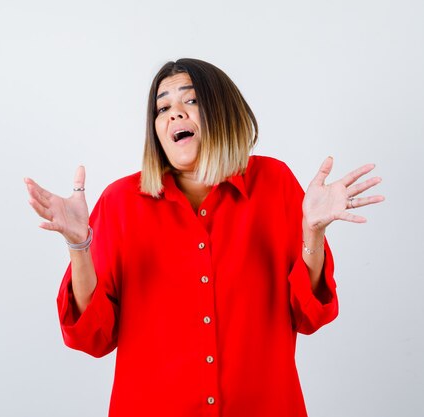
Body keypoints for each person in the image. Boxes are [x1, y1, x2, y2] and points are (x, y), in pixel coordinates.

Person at [24, 58, 384, 417]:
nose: (174, 114)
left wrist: (313, 232)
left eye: (190, 101)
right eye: (163, 107)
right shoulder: (120, 202)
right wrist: (78, 245)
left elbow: (311, 316)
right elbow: (92, 336)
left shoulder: (274, 183)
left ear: (222, 110)